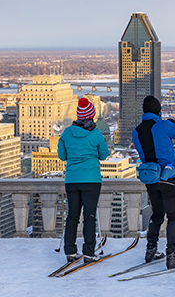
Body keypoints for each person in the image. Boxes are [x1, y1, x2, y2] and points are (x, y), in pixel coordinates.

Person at [132, 95, 175, 269]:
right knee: (173, 217)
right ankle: (172, 256)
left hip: (150, 178)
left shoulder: (136, 131)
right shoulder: (163, 125)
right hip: (168, 177)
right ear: (158, 110)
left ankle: (150, 251)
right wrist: (170, 123)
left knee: (157, 215)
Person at [58, 97, 109, 263]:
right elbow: (104, 155)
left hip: (72, 180)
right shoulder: (96, 134)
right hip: (92, 180)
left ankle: (70, 251)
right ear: (92, 117)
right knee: (90, 216)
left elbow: (62, 156)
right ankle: (89, 252)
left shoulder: (66, 133)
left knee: (72, 215)